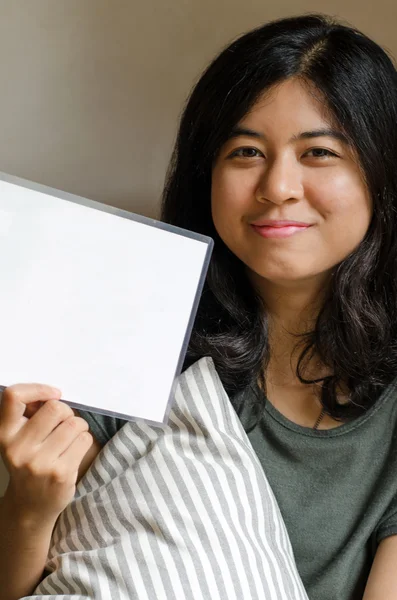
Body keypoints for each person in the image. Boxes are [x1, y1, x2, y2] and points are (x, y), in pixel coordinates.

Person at [1, 12, 397, 600]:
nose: (277, 187)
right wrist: (30, 504)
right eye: (245, 151)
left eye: (318, 153)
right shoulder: (124, 339)